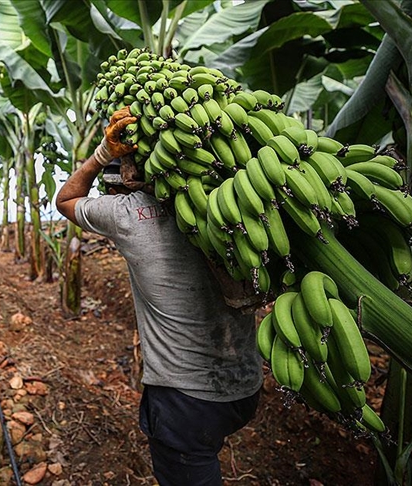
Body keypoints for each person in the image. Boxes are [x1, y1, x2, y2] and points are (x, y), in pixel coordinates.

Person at [55, 107, 263, 485]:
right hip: (246, 386)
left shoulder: (127, 214)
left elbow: (66, 199)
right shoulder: (235, 201)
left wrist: (103, 154)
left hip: (184, 402)